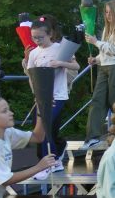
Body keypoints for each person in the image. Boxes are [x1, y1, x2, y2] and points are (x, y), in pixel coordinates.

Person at [23, 18, 79, 172]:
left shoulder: (60, 48)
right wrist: (36, 94)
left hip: (58, 95)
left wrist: (61, 63)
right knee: (40, 129)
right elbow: (32, 76)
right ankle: (47, 162)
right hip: (42, 97)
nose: (37, 40)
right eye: (34, 37)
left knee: (46, 126)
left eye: (40, 37)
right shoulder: (34, 53)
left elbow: (76, 66)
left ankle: (52, 161)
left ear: (50, 34)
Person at [83, 0, 115, 150]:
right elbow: (106, 51)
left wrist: (96, 42)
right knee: (97, 101)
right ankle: (92, 137)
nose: (108, 15)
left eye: (111, 12)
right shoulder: (107, 28)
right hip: (105, 67)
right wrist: (96, 59)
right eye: (106, 12)